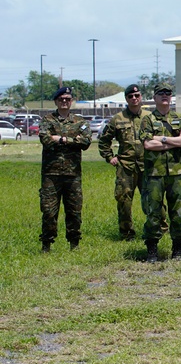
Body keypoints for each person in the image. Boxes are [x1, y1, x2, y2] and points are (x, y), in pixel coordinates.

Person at [138, 84, 181, 262]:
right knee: (153, 212)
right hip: (155, 173)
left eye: (168, 93)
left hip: (177, 172)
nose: (165, 96)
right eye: (160, 93)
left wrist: (161, 139)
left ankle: (177, 250)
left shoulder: (180, 118)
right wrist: (175, 140)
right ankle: (152, 250)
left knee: (178, 212)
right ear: (154, 97)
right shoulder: (147, 120)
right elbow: (147, 144)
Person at [38, 87, 92, 252]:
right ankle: (46, 245)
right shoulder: (47, 120)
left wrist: (60, 139)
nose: (64, 102)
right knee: (49, 212)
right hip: (51, 174)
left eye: (68, 99)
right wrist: (72, 140)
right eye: (61, 99)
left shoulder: (79, 122)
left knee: (74, 212)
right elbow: (46, 139)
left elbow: (86, 142)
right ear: (56, 101)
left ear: (71, 101)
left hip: (72, 174)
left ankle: (74, 245)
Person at [97, 83, 149, 240]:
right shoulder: (118, 119)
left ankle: (157, 230)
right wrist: (109, 156)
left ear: (141, 97)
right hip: (125, 166)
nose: (134, 98)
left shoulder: (149, 117)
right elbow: (104, 140)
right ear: (126, 99)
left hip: (146, 165)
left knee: (152, 200)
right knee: (124, 200)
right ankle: (127, 234)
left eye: (137, 95)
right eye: (130, 96)